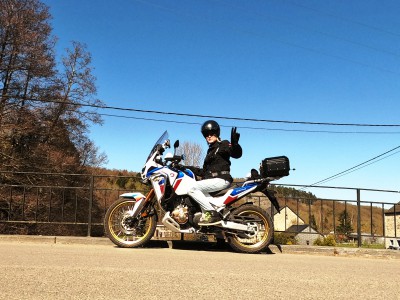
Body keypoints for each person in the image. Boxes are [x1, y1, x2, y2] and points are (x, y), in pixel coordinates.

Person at [187, 120, 242, 225]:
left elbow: (236, 154)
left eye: (211, 133)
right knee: (200, 195)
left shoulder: (223, 145)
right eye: (206, 134)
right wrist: (185, 167)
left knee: (192, 188)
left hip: (221, 179)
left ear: (217, 133)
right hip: (211, 181)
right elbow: (203, 172)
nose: (209, 136)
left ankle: (211, 213)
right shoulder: (210, 151)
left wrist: (235, 145)